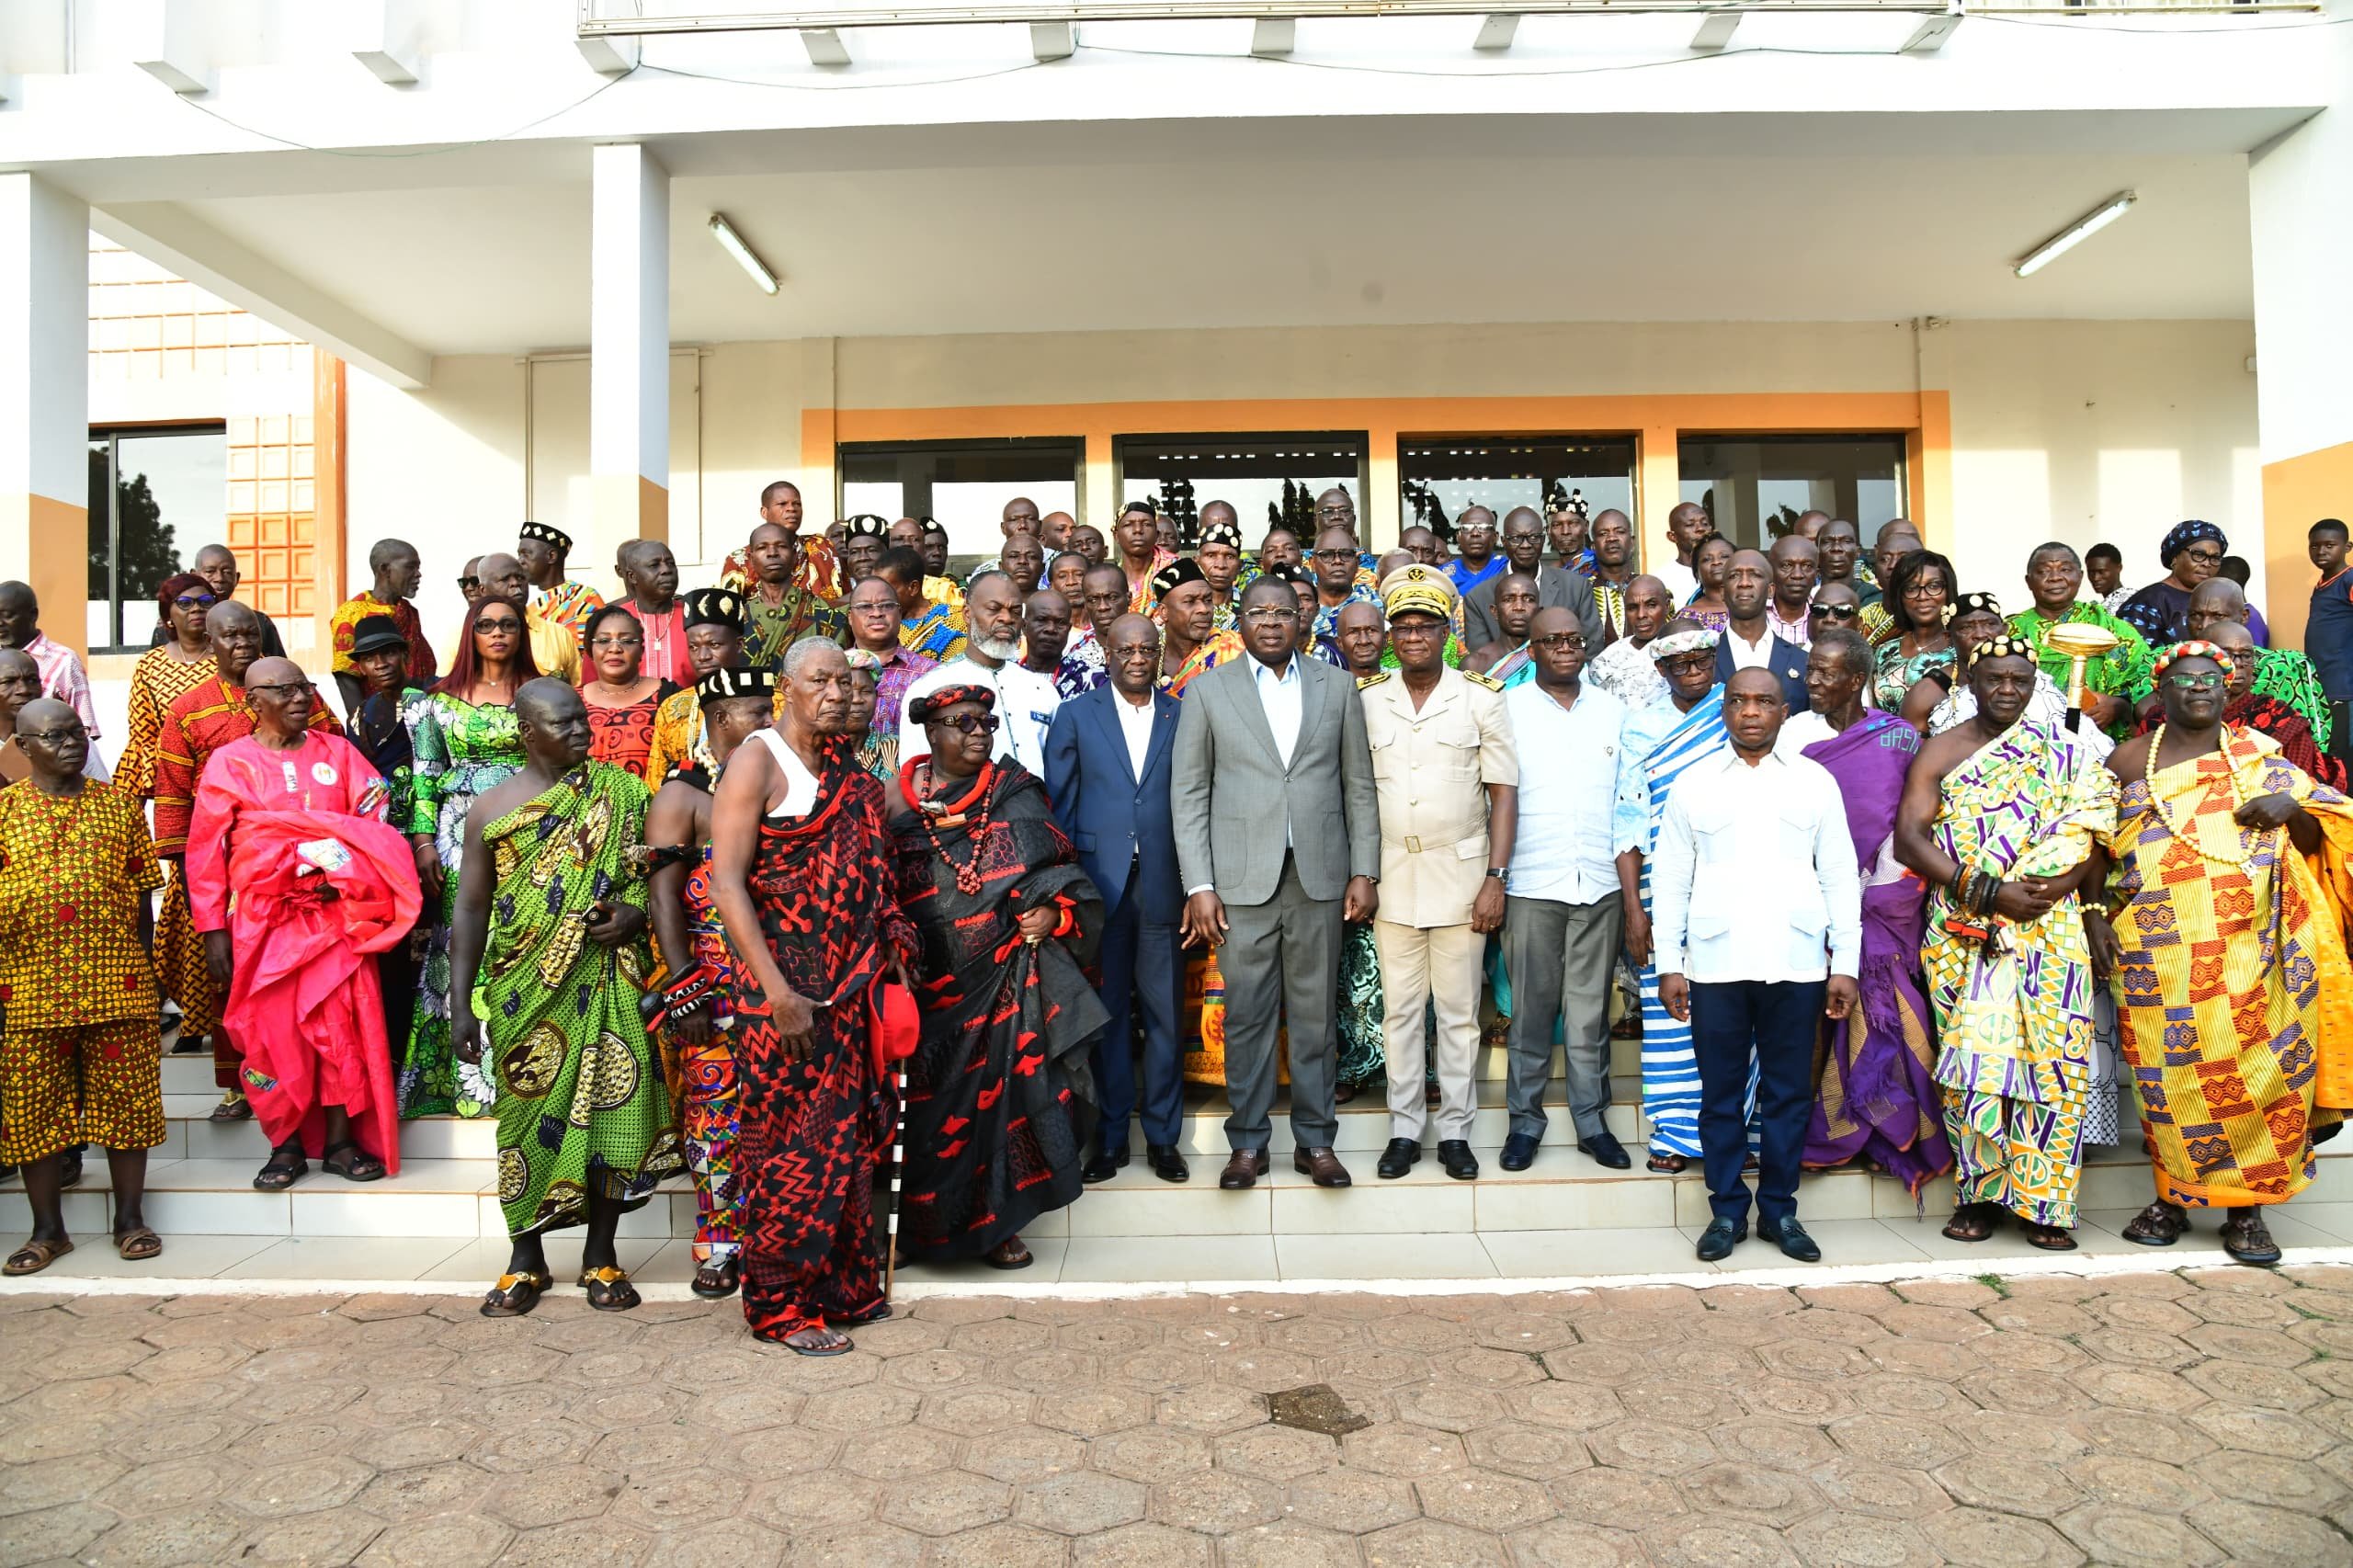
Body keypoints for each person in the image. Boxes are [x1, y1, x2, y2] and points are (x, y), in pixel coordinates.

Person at [2088, 641, 2353, 1266]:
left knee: (2258, 1074)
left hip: (2253, 947)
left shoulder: (2260, 758)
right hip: (2155, 953)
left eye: (2211, 680)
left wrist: (2295, 807)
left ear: (2227, 688)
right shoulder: (2127, 760)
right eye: (2185, 680)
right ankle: (2173, 1200)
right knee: (2164, 1078)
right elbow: (2092, 843)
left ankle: (2248, 1212)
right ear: (2162, 691)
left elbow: (2329, 829)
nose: (2199, 689)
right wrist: (2096, 914)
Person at [452, 679, 682, 1317]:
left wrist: (635, 914)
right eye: (564, 722)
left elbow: (659, 878)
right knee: (523, 1122)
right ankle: (525, 1258)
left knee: (615, 1110)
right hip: (525, 988)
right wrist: (459, 1004)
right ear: (528, 731)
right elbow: (470, 909)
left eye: (583, 718)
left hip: (611, 977)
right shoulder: (490, 810)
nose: (582, 730)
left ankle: (600, 1255)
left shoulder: (627, 794)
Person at [711, 639, 916, 1350]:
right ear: (786, 688)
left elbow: (871, 878)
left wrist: (890, 935)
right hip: (784, 994)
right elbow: (726, 882)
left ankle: (841, 1288)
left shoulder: (852, 777)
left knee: (847, 1140)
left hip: (849, 990)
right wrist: (775, 991)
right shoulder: (757, 759)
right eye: (820, 681)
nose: (836, 693)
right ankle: (778, 1305)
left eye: (846, 682)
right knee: (790, 1150)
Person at [1895, 638, 2116, 1250]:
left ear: (2033, 682)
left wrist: (2055, 891)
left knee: (2055, 1064)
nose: (2008, 690)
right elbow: (1909, 841)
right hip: (1967, 930)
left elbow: (2092, 830)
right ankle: (1980, 1195)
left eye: (2020, 679)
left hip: (2049, 928)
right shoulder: (1940, 750)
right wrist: (1989, 894)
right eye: (1995, 678)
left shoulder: (2066, 749)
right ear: (1971, 679)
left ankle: (2046, 1203)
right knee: (1975, 1070)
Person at [1173, 577, 1381, 1190]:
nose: (1270, 622)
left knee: (1316, 1018)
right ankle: (1248, 1144)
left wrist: (1364, 870)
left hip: (1320, 877)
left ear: (1302, 622)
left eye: (1282, 612)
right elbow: (1189, 792)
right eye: (1258, 612)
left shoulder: (1336, 686)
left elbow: (1358, 786)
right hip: (1240, 881)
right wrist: (1199, 884)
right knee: (1248, 1016)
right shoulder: (1208, 691)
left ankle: (1316, 1142)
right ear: (1239, 621)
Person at [888, 686, 1105, 1268]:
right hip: (926, 990)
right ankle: (912, 1232)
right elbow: (874, 892)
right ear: (931, 734)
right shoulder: (893, 803)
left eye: (985, 722)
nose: (979, 732)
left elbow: (1066, 875)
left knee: (1010, 1103)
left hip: (1008, 980)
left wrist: (1053, 914)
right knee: (926, 1114)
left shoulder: (1017, 793)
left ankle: (1001, 1225)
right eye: (962, 723)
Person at [186, 659, 418, 1192]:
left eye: (304, 687)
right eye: (284, 690)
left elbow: (374, 820)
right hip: (264, 926)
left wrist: (340, 863)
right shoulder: (230, 762)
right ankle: (284, 1145)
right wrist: (212, 930)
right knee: (272, 1036)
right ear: (253, 702)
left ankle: (339, 1143)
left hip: (336, 920)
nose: (299, 698)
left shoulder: (336, 752)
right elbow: (205, 851)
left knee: (341, 1033)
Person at [1655, 667, 1861, 1263]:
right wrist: (1671, 963)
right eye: (1740, 701)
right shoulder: (1694, 785)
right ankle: (1725, 1212)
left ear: (1782, 710)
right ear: (1725, 709)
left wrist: (1843, 962)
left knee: (1787, 1095)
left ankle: (1778, 1211)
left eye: (1764, 702)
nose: (1751, 712)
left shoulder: (1815, 783)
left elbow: (1839, 875)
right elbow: (1670, 878)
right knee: (1719, 1096)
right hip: (1715, 964)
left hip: (1796, 964)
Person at [152, 602, 343, 1118]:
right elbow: (172, 795)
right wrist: (192, 884)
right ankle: (241, 1087)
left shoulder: (300, 694)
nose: (241, 644)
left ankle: (313, 1088)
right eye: (229, 636)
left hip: (308, 878)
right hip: (227, 875)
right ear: (207, 642)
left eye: (249, 635)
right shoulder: (188, 708)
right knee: (229, 984)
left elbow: (335, 762)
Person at [1358, 568, 1518, 1183]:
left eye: (1427, 625)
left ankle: (1454, 1129)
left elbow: (1503, 795)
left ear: (1448, 631)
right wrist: (1361, 874)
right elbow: (1356, 795)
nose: (1415, 636)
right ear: (1392, 635)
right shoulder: (1369, 700)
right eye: (1405, 626)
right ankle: (1404, 1128)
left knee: (1456, 1013)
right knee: (1399, 1013)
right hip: (1391, 877)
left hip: (1463, 879)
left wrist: (1495, 877)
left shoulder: (1481, 698)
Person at [1781, 627, 1952, 1194]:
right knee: (1813, 1017)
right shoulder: (1792, 735)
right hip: (1807, 892)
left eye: (1827, 673)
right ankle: (1823, 1130)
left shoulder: (1900, 738)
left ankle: (1890, 1132)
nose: (1813, 681)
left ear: (1858, 680)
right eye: (1810, 670)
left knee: (1885, 1009)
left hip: (1884, 892)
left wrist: (1876, 885)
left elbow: (1914, 815)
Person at [0, 701, 165, 1278]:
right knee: (34, 1112)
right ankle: (48, 1232)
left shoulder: (118, 808)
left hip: (117, 986)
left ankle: (130, 1220)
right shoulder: (4, 812)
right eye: (54, 736)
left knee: (128, 1107)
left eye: (76, 733)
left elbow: (145, 894)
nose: (71, 743)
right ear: (23, 747)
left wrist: (143, 969)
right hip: (26, 993)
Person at [642, 663, 776, 1300]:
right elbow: (664, 899)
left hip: (776, 984)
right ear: (722, 721)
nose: (770, 723)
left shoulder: (780, 785)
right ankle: (719, 1242)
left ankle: (775, 1234)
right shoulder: (685, 795)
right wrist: (683, 987)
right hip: (711, 989)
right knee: (715, 1116)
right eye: (758, 713)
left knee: (777, 1113)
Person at [1046, 615, 1188, 1186]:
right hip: (1096, 892)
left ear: (1158, 655)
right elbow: (1060, 805)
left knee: (1165, 1019)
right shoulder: (1076, 714)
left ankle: (1162, 1138)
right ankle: (1108, 1140)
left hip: (1165, 887)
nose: (1136, 657)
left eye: (1146, 649)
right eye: (1124, 648)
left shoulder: (1184, 713)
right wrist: (1065, 889)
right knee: (1104, 1020)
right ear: (1106, 652)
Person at [1495, 607, 1633, 1173]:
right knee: (1530, 1013)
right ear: (1531, 650)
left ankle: (1591, 1122)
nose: (1565, 648)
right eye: (1551, 640)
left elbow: (1628, 798)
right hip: (1531, 881)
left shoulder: (1613, 711)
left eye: (1574, 639)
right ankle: (1524, 1124)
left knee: (1589, 1015)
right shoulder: (1506, 710)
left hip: (1598, 882)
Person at [401, 592, 537, 1118]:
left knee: (524, 933)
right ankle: (466, 1082)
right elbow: (425, 777)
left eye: (508, 624)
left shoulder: (541, 693)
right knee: (463, 938)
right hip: (459, 835)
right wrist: (423, 841)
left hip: (530, 831)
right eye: (486, 625)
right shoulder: (436, 701)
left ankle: (527, 1072)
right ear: (470, 634)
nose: (498, 633)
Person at [1614, 619, 1733, 1174]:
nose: (1692, 673)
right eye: (1679, 665)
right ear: (1660, 671)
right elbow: (1628, 818)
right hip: (1663, 887)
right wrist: (1634, 908)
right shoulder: (1640, 726)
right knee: (1671, 1015)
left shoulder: (1736, 714)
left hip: (1731, 883)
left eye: (1701, 663)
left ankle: (1741, 1130)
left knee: (1736, 1010)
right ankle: (1677, 1132)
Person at [343, 615, 429, 1056]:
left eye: (389, 652)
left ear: (404, 654)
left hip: (427, 835)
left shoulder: (430, 698)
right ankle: (392, 1050)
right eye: (371, 657)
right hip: (379, 845)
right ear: (360, 666)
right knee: (390, 946)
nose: (382, 663)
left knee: (429, 942)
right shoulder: (360, 713)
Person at [900, 572, 1061, 775]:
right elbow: (915, 770)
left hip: (1038, 805)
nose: (1006, 618)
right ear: (967, 614)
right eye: (994, 609)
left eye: (1015, 611)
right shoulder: (929, 687)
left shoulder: (1042, 690)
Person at [2006, 541, 2153, 739]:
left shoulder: (2112, 628)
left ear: (2080, 576)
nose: (2055, 578)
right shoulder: (2009, 631)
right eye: (2043, 572)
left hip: (2099, 745)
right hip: (2024, 741)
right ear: (2029, 581)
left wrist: (2118, 705)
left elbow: (2146, 683)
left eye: (2065, 569)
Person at [2198, 619, 2346, 789]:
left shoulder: (2278, 719)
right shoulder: (2176, 717)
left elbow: (2305, 790)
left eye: (2246, 655)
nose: (2238, 663)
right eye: (2226, 655)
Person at [2188, 577, 2332, 749]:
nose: (2204, 625)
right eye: (2195, 616)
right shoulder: (2165, 663)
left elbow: (2305, 744)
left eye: (2218, 616)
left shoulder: (2282, 667)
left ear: (2244, 617)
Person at [120, 572, 220, 801]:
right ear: (168, 616)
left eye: (205, 602)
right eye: (185, 603)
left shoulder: (235, 657)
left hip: (229, 778)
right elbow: (142, 737)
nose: (196, 608)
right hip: (173, 781)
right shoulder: (149, 665)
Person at [1463, 507, 1603, 655]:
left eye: (1534, 537)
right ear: (1503, 542)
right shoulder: (1478, 598)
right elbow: (1481, 659)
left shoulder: (1576, 587)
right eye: (1516, 538)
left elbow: (1592, 648)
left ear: (1543, 540)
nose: (1525, 545)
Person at [646, 587, 750, 782]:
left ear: (739, 645)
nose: (703, 657)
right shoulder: (672, 708)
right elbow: (655, 782)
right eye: (693, 647)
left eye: (714, 645)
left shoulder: (773, 703)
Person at [841, 574, 937, 777]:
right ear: (850, 617)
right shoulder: (832, 673)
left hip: (913, 785)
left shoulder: (931, 674)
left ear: (900, 613)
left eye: (886, 606)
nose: (876, 613)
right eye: (865, 606)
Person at [0, 581, 102, 769]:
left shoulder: (64, 660)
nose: (0, 623)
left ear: (33, 615)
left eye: (8, 616)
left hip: (52, 768)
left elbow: (85, 728)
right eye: (9, 681)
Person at [329, 539, 438, 716]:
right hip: (381, 714)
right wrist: (362, 724)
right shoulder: (353, 612)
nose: (418, 574)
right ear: (385, 569)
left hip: (420, 709)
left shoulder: (407, 611)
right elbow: (346, 677)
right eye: (410, 567)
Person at [577, 605, 681, 786]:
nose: (615, 648)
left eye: (626, 641)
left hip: (652, 811)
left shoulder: (669, 698)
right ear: (589, 649)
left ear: (641, 650)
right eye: (603, 641)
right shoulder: (571, 701)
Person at [153, 543, 287, 659]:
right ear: (194, 575)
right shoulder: (170, 626)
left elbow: (281, 673)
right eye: (210, 571)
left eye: (227, 572)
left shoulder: (258, 622)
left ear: (237, 578)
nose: (219, 578)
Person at [720, 481, 844, 603]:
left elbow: (842, 600)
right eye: (782, 504)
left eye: (797, 504)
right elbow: (729, 611)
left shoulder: (821, 546)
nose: (791, 509)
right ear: (764, 512)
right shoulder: (739, 561)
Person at [743, 524, 847, 667]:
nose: (772, 553)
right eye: (762, 547)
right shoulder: (739, 618)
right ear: (751, 559)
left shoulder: (828, 614)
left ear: (795, 556)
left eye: (781, 546)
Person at [1717, 549, 1810, 710]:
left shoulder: (1802, 661)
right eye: (1734, 576)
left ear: (1770, 590)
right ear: (1723, 592)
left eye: (1755, 575)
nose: (1744, 583)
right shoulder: (1704, 661)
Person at [2119, 519, 2227, 647]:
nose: (2207, 563)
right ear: (2175, 557)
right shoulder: (2149, 602)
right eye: (2198, 555)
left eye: (2214, 558)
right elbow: (2133, 657)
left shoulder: (2220, 600)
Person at [1872, 549, 1958, 709]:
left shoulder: (1962, 649)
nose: (1923, 596)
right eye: (1911, 588)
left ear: (1948, 591)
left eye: (1934, 586)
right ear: (1900, 596)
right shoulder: (1884, 651)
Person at [477, 552, 581, 684]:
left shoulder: (558, 634)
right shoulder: (465, 635)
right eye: (504, 579)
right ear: (483, 590)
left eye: (521, 577)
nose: (515, 583)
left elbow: (577, 689)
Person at [1154, 559, 1246, 695]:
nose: (1204, 609)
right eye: (1189, 602)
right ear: (1163, 611)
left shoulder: (1233, 649)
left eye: (1208, 600)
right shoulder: (1148, 655)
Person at [1586, 575, 1673, 711]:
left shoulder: (1684, 650)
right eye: (1632, 608)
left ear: (1666, 606)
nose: (1641, 615)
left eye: (1651, 605)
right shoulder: (1607, 659)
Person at [517, 521, 604, 653]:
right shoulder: (518, 594)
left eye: (526, 554)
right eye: (519, 555)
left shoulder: (585, 597)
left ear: (551, 556)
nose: (520, 561)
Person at [614, 540, 692, 687]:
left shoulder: (694, 617)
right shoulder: (612, 621)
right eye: (654, 565)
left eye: (671, 563)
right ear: (632, 576)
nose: (666, 570)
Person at [881, 546, 968, 664]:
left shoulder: (954, 621)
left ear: (913, 587)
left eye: (886, 589)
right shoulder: (877, 621)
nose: (879, 596)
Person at [1058, 562, 1129, 697]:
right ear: (1085, 604)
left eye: (1112, 598)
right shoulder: (1074, 664)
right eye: (1093, 600)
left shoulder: (1157, 644)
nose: (1103, 607)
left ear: (1128, 598)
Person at [1309, 525, 1381, 646]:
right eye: (1326, 555)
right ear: (1312, 564)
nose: (1337, 561)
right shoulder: (1299, 609)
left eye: (1346, 554)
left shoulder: (1376, 606)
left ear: (1357, 563)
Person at [1464, 573, 1542, 685]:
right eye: (1508, 599)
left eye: (1528, 599)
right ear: (1494, 612)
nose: (1519, 607)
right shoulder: (1474, 664)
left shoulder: (1550, 659)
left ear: (1539, 612)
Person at [2308, 518, 2353, 704]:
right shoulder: (2321, 584)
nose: (2321, 551)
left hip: (2344, 684)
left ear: (2347, 547)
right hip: (2324, 681)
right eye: (2314, 546)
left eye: (2329, 545)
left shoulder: (2349, 580)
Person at [1585, 510, 1639, 646]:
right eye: (1603, 534)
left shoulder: (1652, 589)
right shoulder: (1582, 593)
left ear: (1632, 543)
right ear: (1593, 547)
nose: (1611, 538)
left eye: (1619, 531)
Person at [1116, 500, 1176, 614]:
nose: (1138, 530)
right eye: (1128, 524)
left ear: (1156, 535)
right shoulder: (1109, 578)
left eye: (1146, 524)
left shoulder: (1176, 569)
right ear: (1116, 535)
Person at [1650, 503, 1712, 608]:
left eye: (1705, 523)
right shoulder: (1660, 580)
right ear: (1672, 536)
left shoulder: (1725, 571)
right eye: (1690, 525)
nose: (1700, 529)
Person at [1197, 509, 1247, 629]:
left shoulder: (1250, 607)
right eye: (1211, 555)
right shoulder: (1183, 607)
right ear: (1196, 561)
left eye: (1230, 556)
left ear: (1240, 566)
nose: (1220, 565)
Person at [1766, 535, 1818, 647]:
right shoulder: (1754, 615)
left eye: (1807, 566)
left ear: (1816, 573)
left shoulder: (1825, 615)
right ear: (1770, 571)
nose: (1798, 575)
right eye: (1787, 565)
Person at [1442, 506, 1505, 599]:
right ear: (1458, 537)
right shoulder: (1443, 575)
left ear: (1495, 537)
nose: (1475, 533)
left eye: (1483, 528)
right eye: (1467, 528)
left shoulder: (1505, 568)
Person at [1020, 588, 1074, 690]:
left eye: (1060, 622)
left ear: (1069, 629)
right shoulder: (1004, 675)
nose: (1051, 629)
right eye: (1041, 620)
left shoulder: (1085, 678)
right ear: (1024, 626)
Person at [1816, 519, 1875, 608]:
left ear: (1857, 552)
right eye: (1827, 542)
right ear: (1817, 552)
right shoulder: (1806, 599)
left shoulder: (1873, 599)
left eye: (1846, 541)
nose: (1836, 548)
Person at [1682, 534, 1734, 631]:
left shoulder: (1761, 609)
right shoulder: (1685, 618)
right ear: (1697, 572)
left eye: (1724, 556)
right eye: (1707, 559)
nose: (1716, 562)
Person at [838, 514, 889, 591]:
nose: (863, 558)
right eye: (854, 552)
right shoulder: (837, 600)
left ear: (886, 554)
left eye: (871, 550)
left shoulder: (902, 598)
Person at [2086, 540, 2131, 613]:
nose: (2095, 578)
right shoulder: (2103, 606)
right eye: (2091, 572)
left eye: (2101, 572)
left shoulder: (2129, 603)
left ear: (2119, 568)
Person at [1000, 532, 1048, 598]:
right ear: (1001, 567)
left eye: (1032, 557)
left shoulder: (1054, 605)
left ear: (1043, 568)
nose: (1022, 561)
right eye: (1013, 556)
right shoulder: (986, 604)